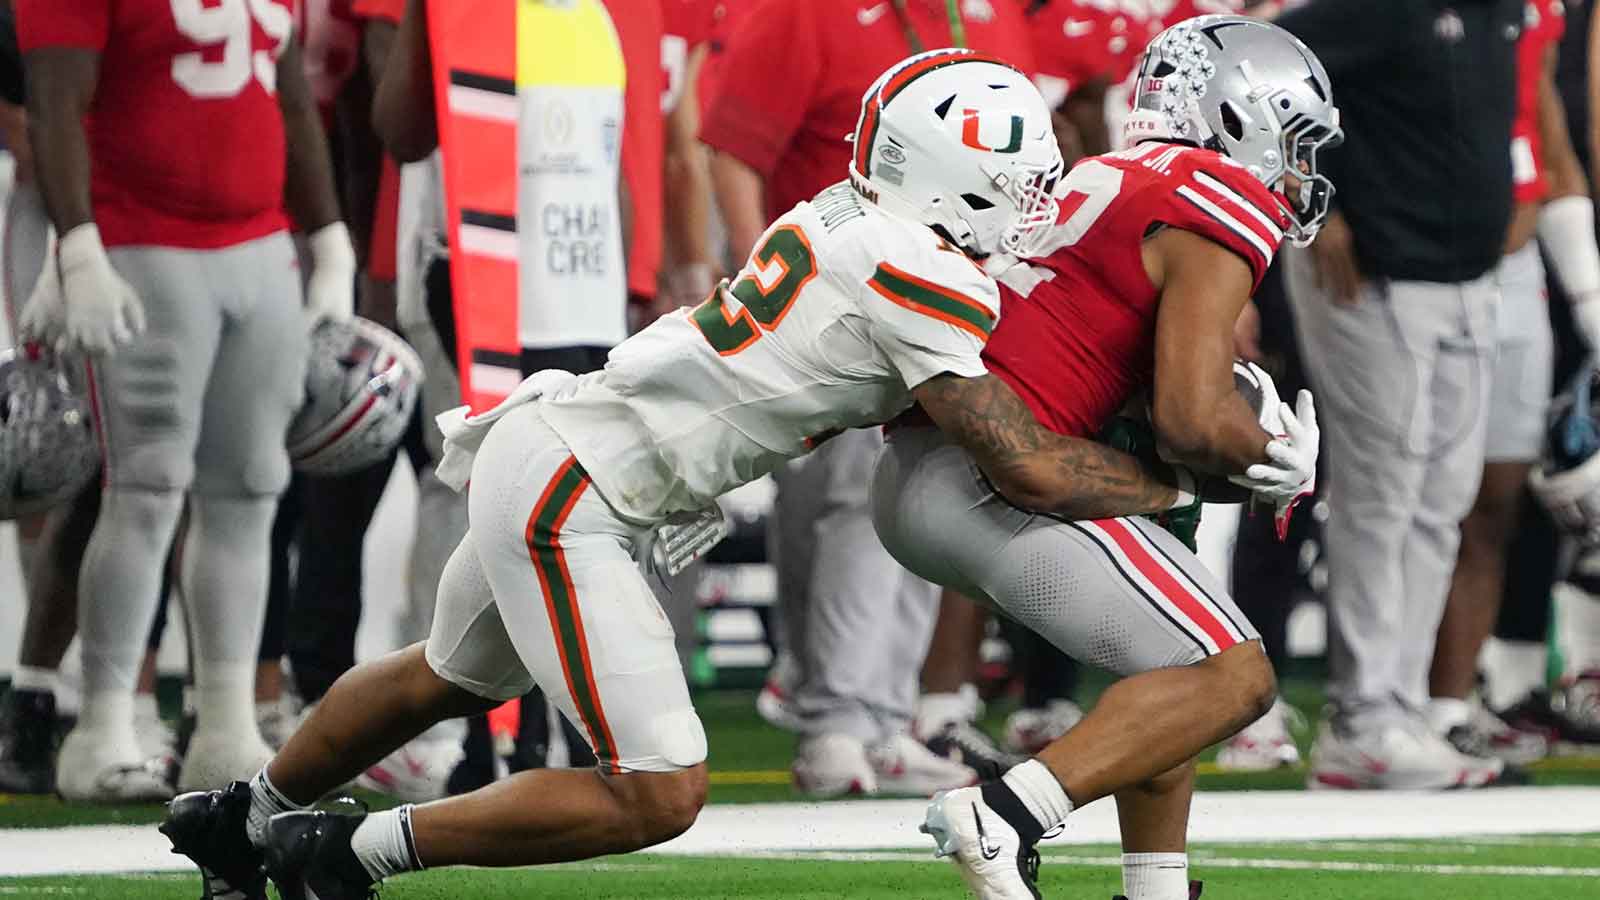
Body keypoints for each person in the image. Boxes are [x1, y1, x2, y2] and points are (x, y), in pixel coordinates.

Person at [158, 49, 1193, 900]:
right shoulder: (924, 279)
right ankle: (338, 854)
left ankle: (240, 817)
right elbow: (1024, 464)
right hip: (582, 492)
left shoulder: (842, 211)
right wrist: (1175, 481)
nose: (1034, 206)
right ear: (949, 180)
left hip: (565, 448)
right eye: (1019, 187)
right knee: (659, 790)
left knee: (449, 674)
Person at [871, 17, 1323, 899]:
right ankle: (1001, 814)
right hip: (999, 478)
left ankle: (1155, 889)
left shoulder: (1103, 176)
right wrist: (1276, 454)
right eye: (1296, 141)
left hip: (929, 472)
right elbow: (1192, 419)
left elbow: (1148, 402)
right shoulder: (1217, 194)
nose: (1299, 172)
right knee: (1230, 675)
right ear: (1240, 118)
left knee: (1169, 665)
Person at [15, 0, 354, 800]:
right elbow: (54, 100)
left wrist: (329, 236)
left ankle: (228, 727)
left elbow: (291, 100)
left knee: (250, 489)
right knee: (146, 488)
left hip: (260, 244)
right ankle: (101, 727)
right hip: (144, 242)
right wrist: (78, 244)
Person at [702, 0, 1039, 796]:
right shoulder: (802, 15)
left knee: (927, 500)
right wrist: (765, 299)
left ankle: (885, 716)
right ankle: (836, 721)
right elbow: (732, 153)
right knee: (849, 504)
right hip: (840, 305)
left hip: (955, 300)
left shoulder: (992, 18)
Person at [1274, 0, 1525, 791]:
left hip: (1465, 278)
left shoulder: (1503, 8)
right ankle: (1363, 720)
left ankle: (1402, 709)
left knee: (1441, 500)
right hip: (1373, 277)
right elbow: (1268, 67)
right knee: (1383, 494)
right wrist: (1318, 201)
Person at [1430, 0, 1600, 764]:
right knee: (1421, 506)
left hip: (1531, 262)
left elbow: (1555, 146)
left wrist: (1591, 304)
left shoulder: (1538, 17)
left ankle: (1461, 700)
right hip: (1423, 262)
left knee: (1505, 498)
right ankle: (1383, 705)